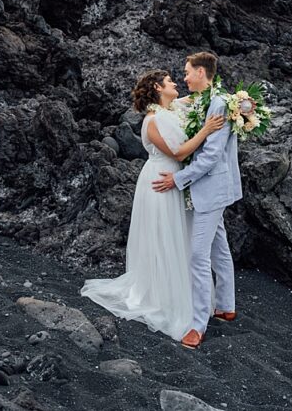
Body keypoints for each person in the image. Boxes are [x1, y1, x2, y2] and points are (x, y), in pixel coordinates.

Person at [80, 70, 225, 340]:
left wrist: (240, 106)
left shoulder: (172, 110)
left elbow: (202, 98)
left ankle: (188, 294)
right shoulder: (153, 120)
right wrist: (206, 130)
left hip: (176, 181)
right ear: (159, 87)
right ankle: (162, 295)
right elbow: (179, 152)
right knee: (162, 237)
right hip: (160, 181)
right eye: (170, 81)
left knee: (178, 236)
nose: (176, 83)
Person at [152, 51, 243, 350]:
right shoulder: (206, 99)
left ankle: (198, 324)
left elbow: (212, 156)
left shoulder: (217, 103)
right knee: (219, 245)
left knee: (197, 256)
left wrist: (177, 180)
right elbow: (167, 106)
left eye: (188, 72)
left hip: (212, 188)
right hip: (212, 188)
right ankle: (226, 305)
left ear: (202, 73)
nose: (184, 77)